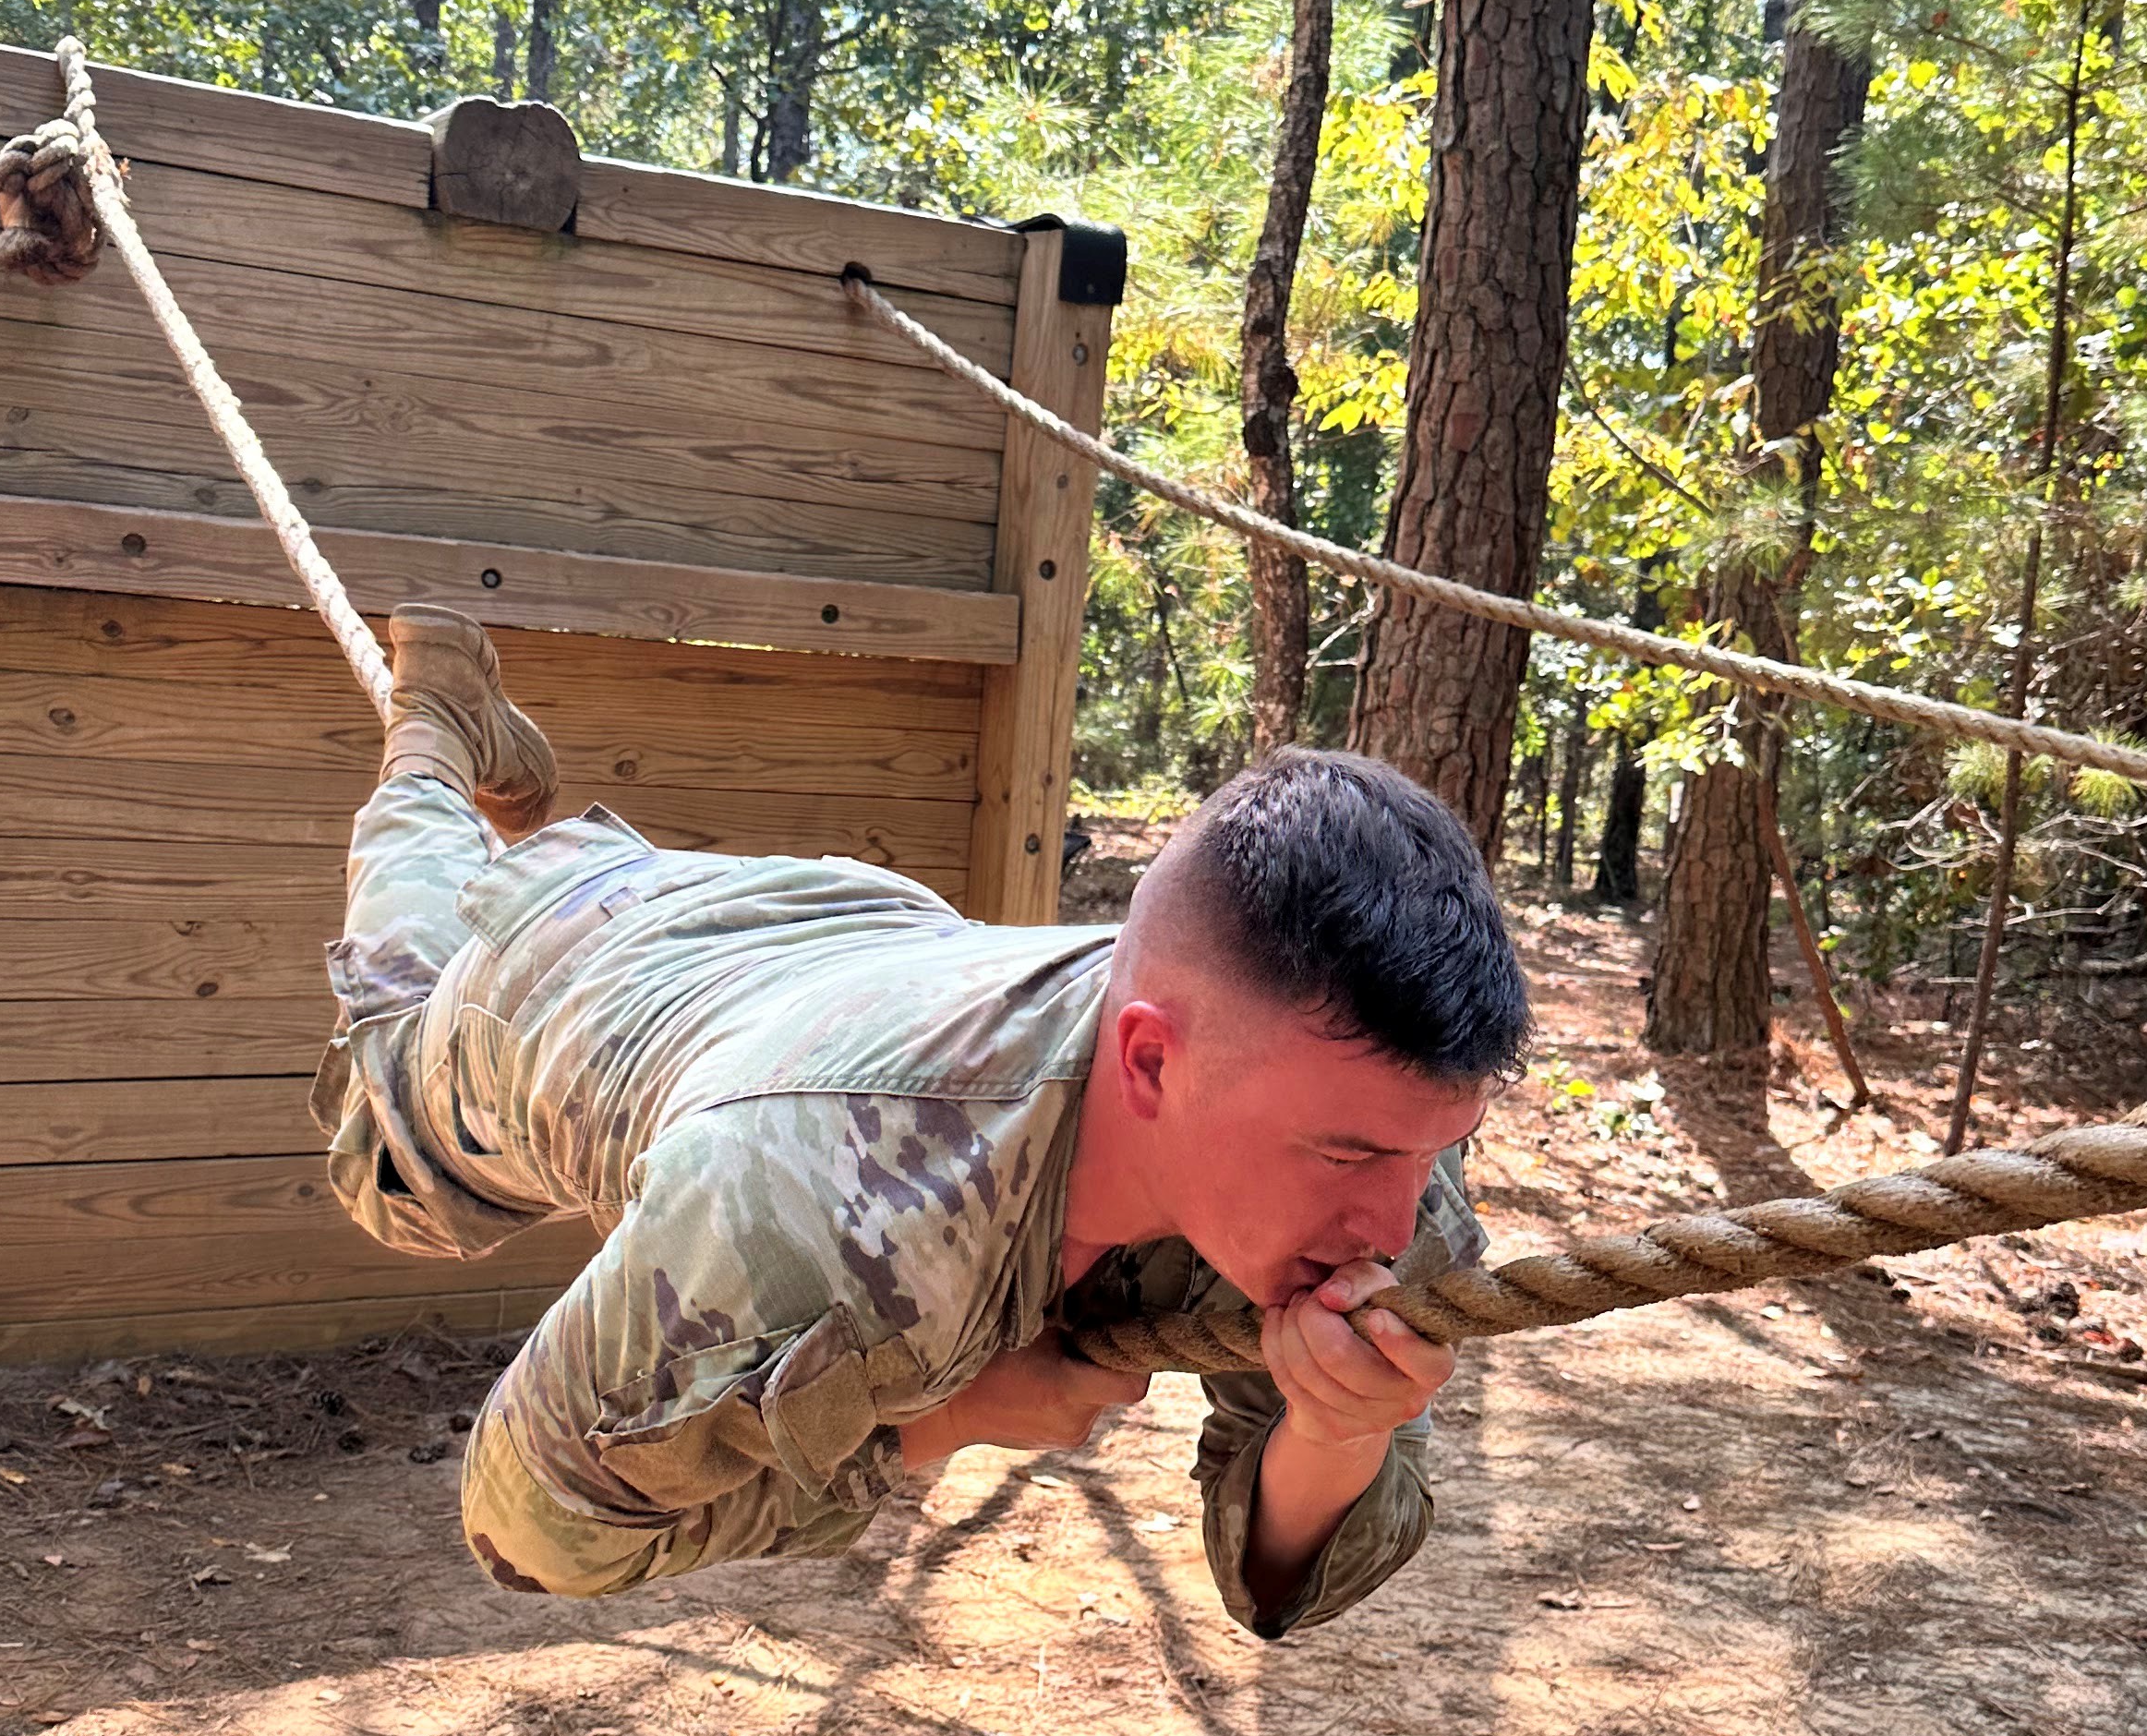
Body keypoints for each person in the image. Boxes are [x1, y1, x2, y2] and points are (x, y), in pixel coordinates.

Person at [314, 609, 1529, 1634]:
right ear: (1150, 1062)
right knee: (398, 1140)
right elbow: (524, 1520)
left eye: (1432, 1144)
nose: (1388, 1220)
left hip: (844, 939)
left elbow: (1276, 1586)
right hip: (564, 980)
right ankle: (434, 728)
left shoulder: (1350, 1114)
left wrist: (1337, 1430)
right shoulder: (806, 1215)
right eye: (1349, 1154)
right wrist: (936, 1426)